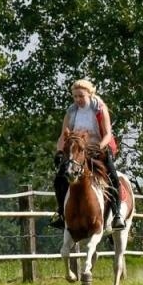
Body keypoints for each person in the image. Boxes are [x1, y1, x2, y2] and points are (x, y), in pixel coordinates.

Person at [52, 78, 123, 230]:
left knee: (113, 177)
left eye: (81, 96)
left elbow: (108, 134)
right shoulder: (71, 111)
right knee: (59, 179)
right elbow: (62, 136)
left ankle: (117, 215)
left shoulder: (99, 108)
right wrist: (59, 150)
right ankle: (60, 213)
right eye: (75, 96)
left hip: (97, 148)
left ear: (89, 94)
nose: (78, 99)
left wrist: (99, 147)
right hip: (77, 152)